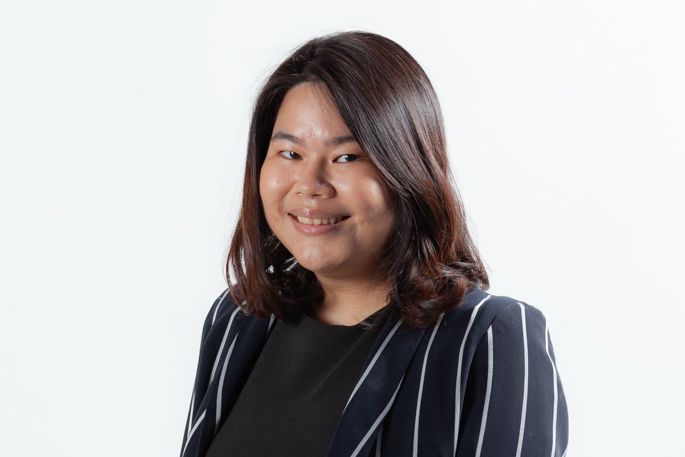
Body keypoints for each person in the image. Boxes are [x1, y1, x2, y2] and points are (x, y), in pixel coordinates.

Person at [179, 31, 569, 457]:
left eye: (347, 157)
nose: (309, 185)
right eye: (290, 154)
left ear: (408, 170)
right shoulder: (237, 318)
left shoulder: (489, 339)